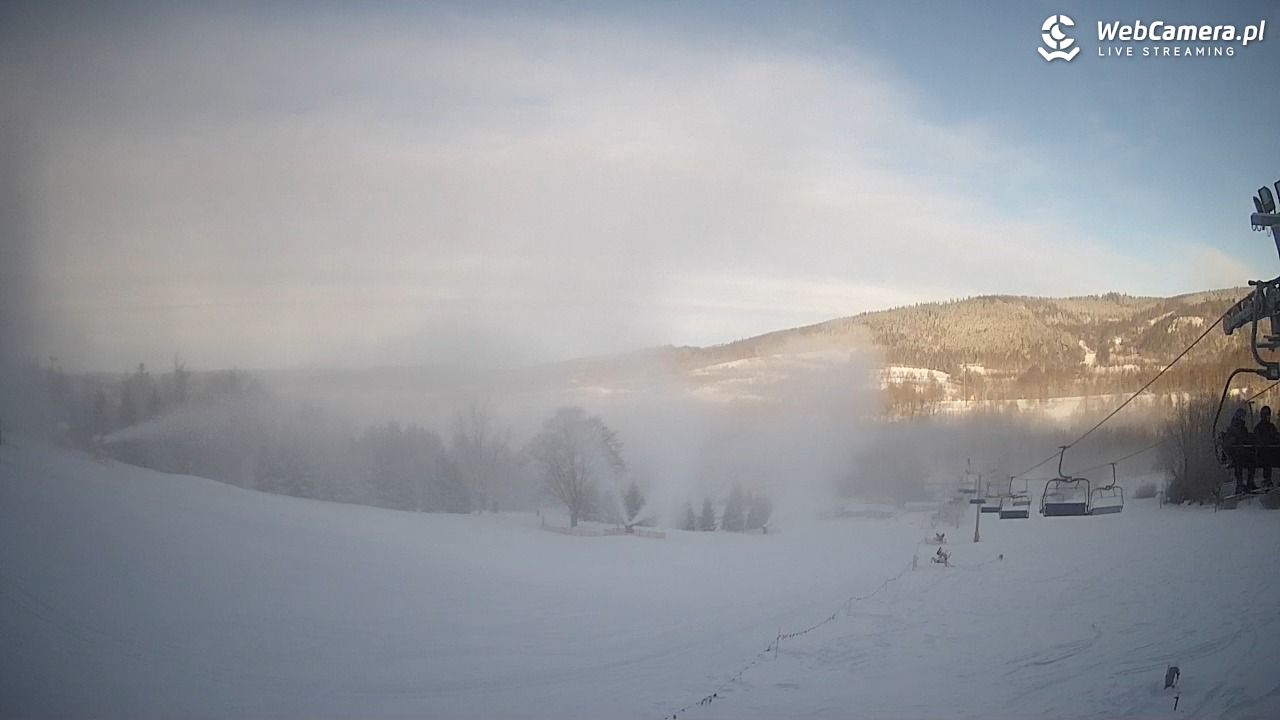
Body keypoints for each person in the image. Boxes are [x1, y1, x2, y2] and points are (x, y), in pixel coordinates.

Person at [1223, 407, 1257, 495]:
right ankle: (1240, 484)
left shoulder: (1242, 427)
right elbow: (1231, 442)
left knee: (1252, 462)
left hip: (1242, 453)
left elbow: (1245, 438)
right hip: (1236, 454)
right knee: (1239, 464)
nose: (1243, 418)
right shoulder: (1234, 428)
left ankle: (1249, 483)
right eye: (1242, 416)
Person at [1254, 406, 1279, 489]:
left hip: (1273, 452)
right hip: (1262, 454)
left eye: (1268, 414)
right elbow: (1257, 440)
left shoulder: (1271, 427)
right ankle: (1267, 479)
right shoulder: (1259, 428)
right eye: (1265, 415)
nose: (1267, 417)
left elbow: (1276, 438)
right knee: (1267, 457)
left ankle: (1269, 480)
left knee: (1271, 456)